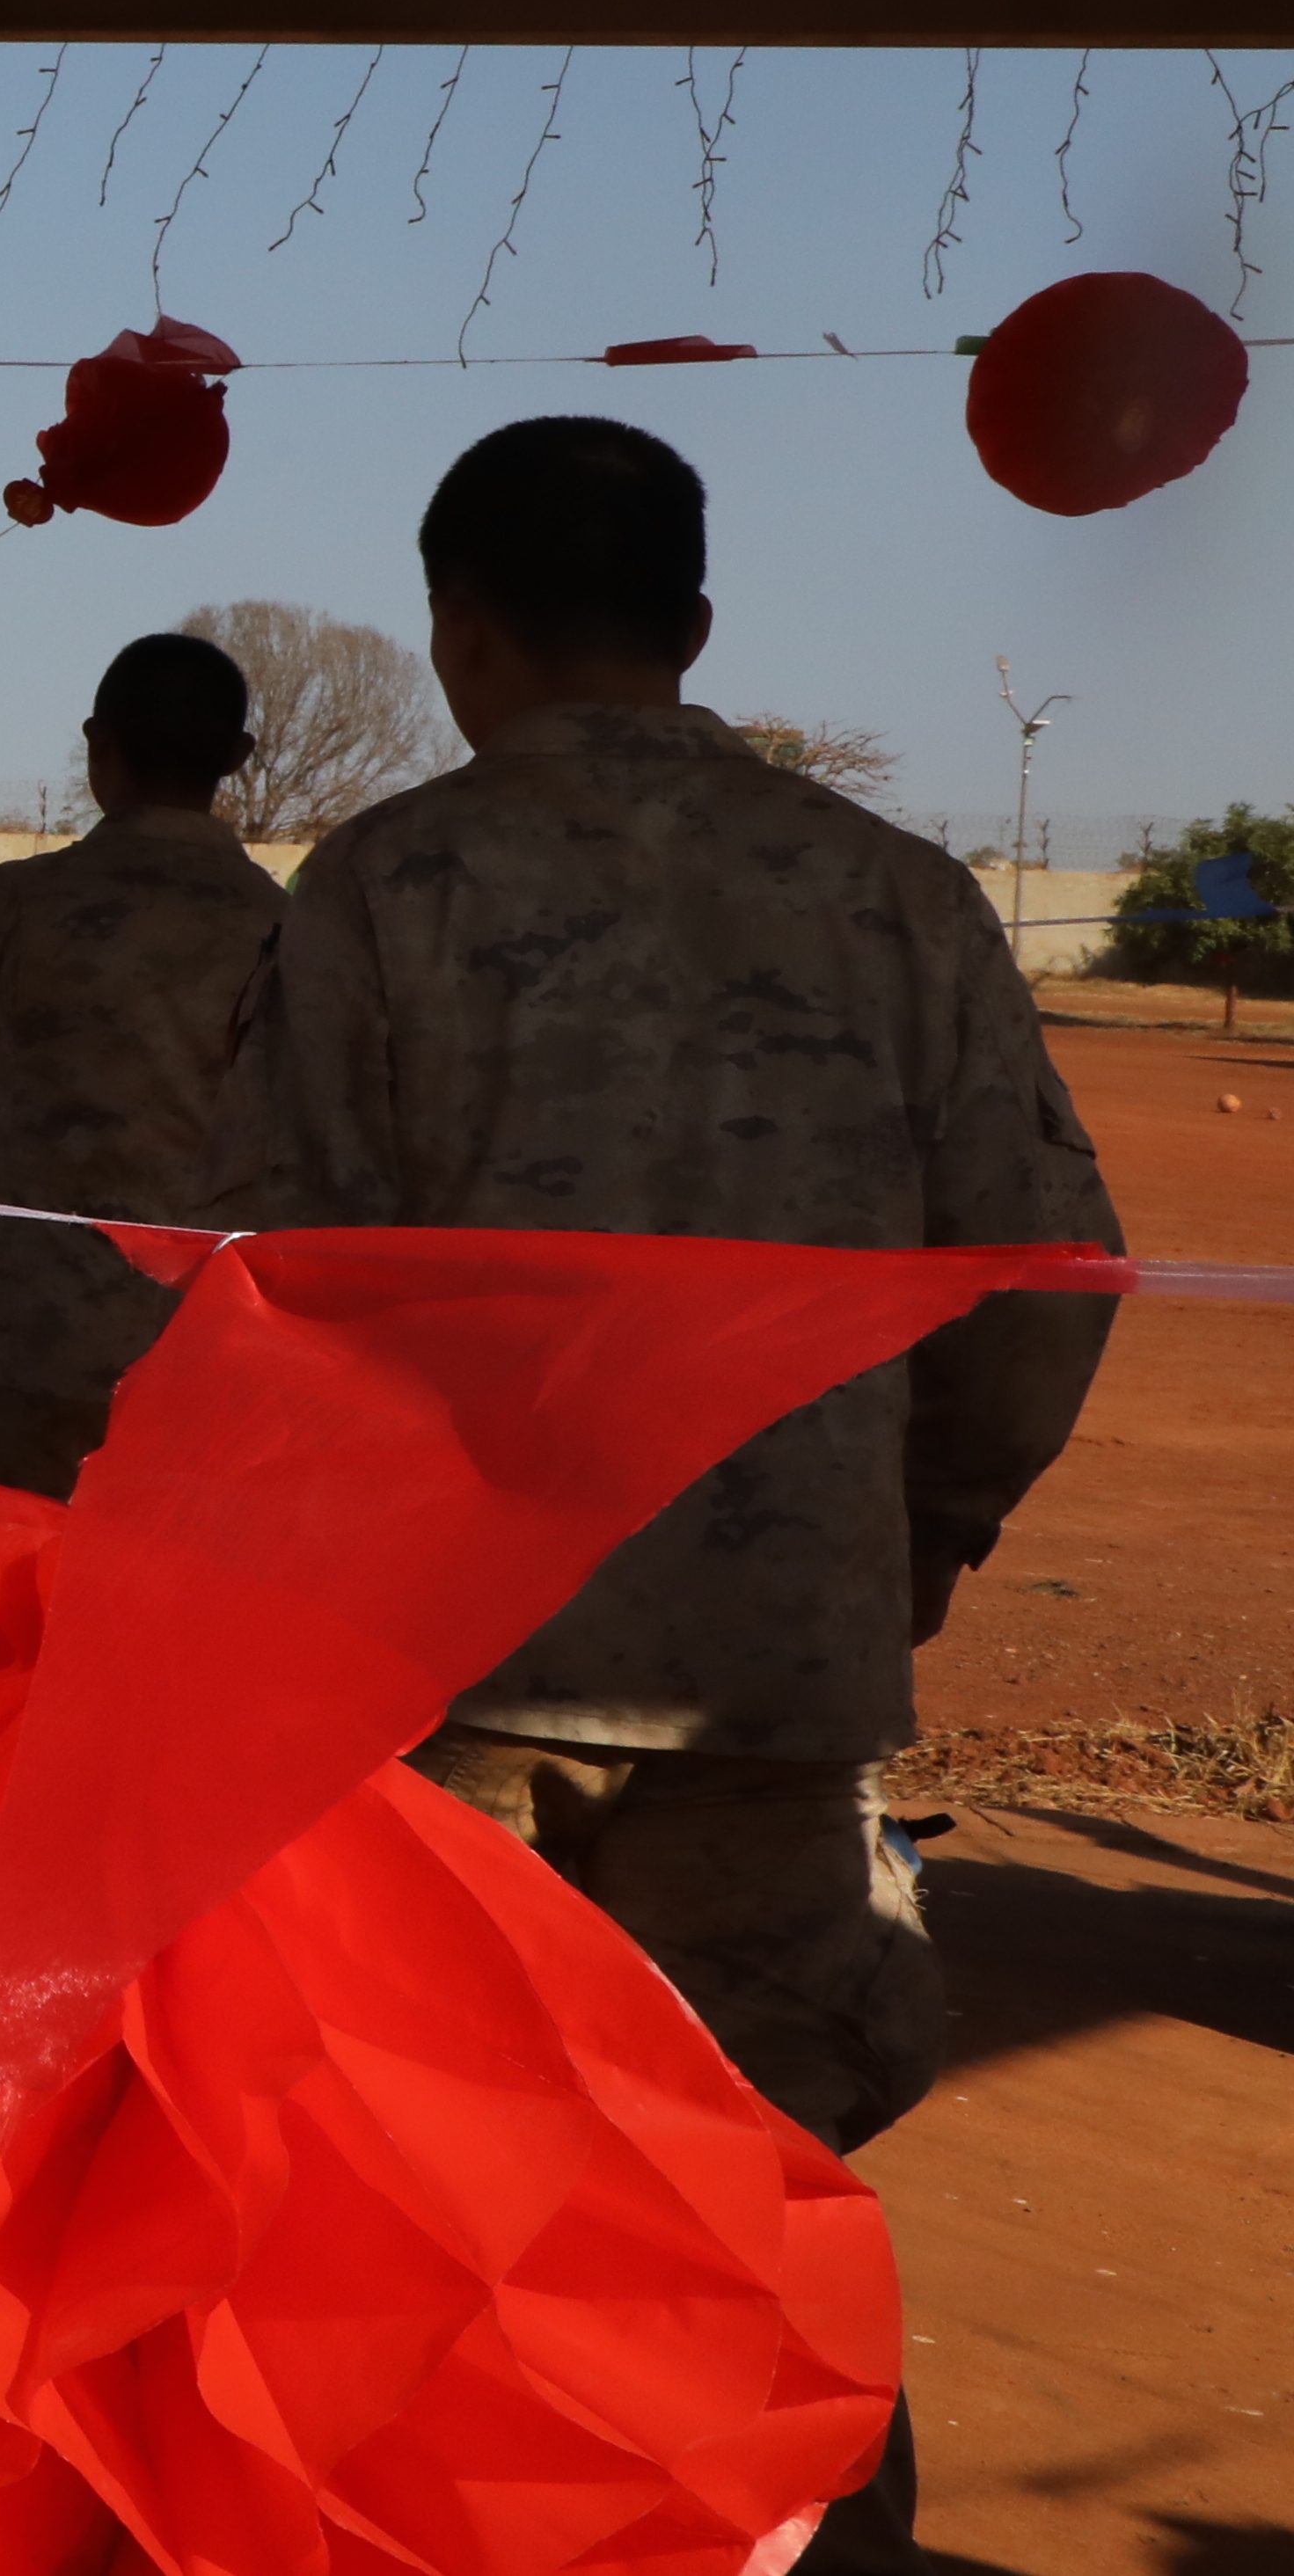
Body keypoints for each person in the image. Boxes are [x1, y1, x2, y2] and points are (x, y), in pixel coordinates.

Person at [207, 417, 1112, 2571]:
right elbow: (1047, 1274)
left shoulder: (386, 891)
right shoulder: (895, 896)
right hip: (774, 1703)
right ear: (697, 627)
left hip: (451, 1700)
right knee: (750, 2198)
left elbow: (273, 1292)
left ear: (460, 632)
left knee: (435, 2221)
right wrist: (914, 1530)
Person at [0, 632, 285, 1534]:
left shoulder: (16, 904)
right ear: (237, 758)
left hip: (23, 1345)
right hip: (211, 1356)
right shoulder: (294, 934)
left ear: (96, 745)